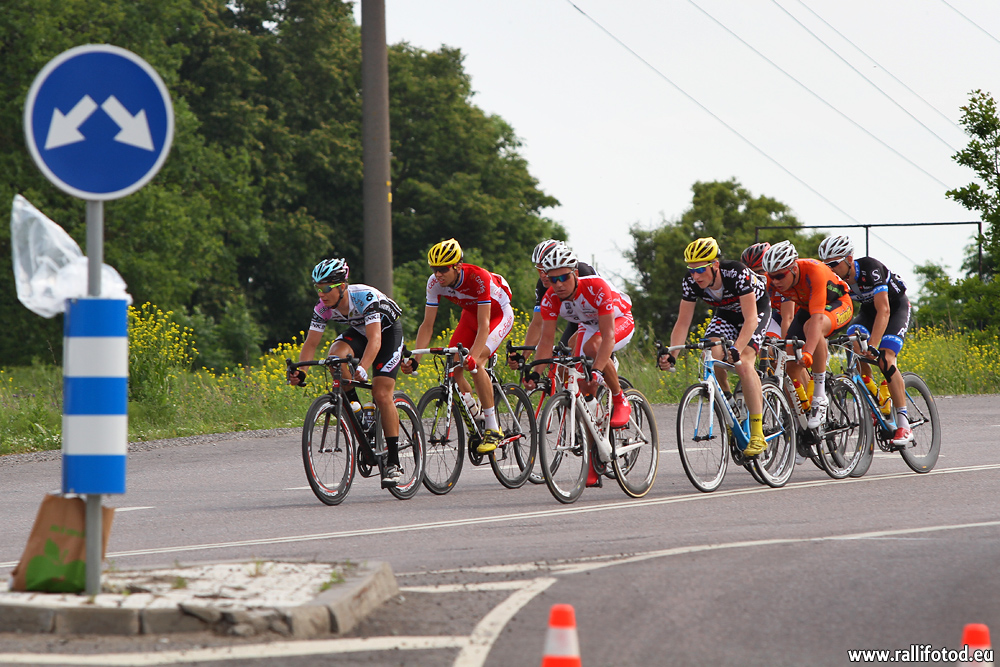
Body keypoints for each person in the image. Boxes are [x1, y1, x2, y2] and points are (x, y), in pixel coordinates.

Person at [288, 258, 406, 488]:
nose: (321, 294)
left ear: (342, 286)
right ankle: (356, 409)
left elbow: (375, 339)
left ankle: (394, 462)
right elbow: (311, 343)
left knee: (382, 394)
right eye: (317, 288)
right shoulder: (322, 307)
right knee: (335, 357)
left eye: (326, 288)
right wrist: (301, 372)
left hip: (387, 333)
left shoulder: (364, 297)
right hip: (361, 332)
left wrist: (362, 367)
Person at [658, 237, 772, 457]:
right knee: (711, 354)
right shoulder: (690, 282)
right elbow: (683, 322)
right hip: (726, 315)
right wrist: (673, 354)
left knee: (744, 363)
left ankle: (757, 433)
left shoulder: (736, 273)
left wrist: (737, 348)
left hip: (754, 311)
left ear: (715, 265)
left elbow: (750, 320)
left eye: (701, 269)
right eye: (691, 270)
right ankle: (730, 406)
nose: (696, 276)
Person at [401, 238, 514, 454]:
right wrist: (415, 360)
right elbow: (427, 326)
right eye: (434, 269)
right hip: (470, 317)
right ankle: (476, 412)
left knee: (476, 365)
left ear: (458, 266)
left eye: (443, 269)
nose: (438, 274)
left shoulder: (478, 278)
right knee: (453, 367)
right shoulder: (434, 283)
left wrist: (473, 357)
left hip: (497, 316)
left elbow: (484, 325)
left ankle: (493, 427)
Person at [535, 243, 634, 487]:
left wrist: (598, 369)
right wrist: (535, 372)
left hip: (618, 320)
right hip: (588, 325)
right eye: (553, 279)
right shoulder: (551, 298)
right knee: (583, 393)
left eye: (564, 277)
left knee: (594, 348)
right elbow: (546, 341)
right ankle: (594, 455)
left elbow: (608, 336)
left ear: (575, 273)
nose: (558, 284)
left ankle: (620, 398)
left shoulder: (595, 286)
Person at [818, 234, 913, 446]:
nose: (830, 269)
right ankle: (875, 399)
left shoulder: (870, 268)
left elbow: (884, 310)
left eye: (834, 264)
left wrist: (874, 345)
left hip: (894, 308)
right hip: (868, 313)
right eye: (826, 265)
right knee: (853, 343)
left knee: (885, 359)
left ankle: (904, 424)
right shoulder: (833, 280)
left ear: (849, 260)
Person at [760, 240, 853, 430]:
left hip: (838, 304)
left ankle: (819, 395)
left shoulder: (813, 271)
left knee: (812, 327)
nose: (775, 281)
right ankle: (802, 414)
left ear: (793, 268)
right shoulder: (773, 281)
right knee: (789, 364)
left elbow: (817, 319)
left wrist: (808, 352)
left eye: (780, 276)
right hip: (806, 308)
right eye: (772, 277)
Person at [509, 238, 599, 370]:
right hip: (576, 320)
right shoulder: (543, 286)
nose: (543, 275)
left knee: (580, 349)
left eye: (545, 269)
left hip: (599, 318)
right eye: (539, 270)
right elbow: (537, 323)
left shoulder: (581, 272)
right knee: (560, 364)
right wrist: (523, 357)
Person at [741, 242, 795, 339]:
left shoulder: (781, 280)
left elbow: (788, 318)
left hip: (799, 315)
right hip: (777, 316)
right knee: (766, 342)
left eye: (760, 271)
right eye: (750, 272)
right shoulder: (746, 284)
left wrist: (786, 345)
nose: (754, 276)